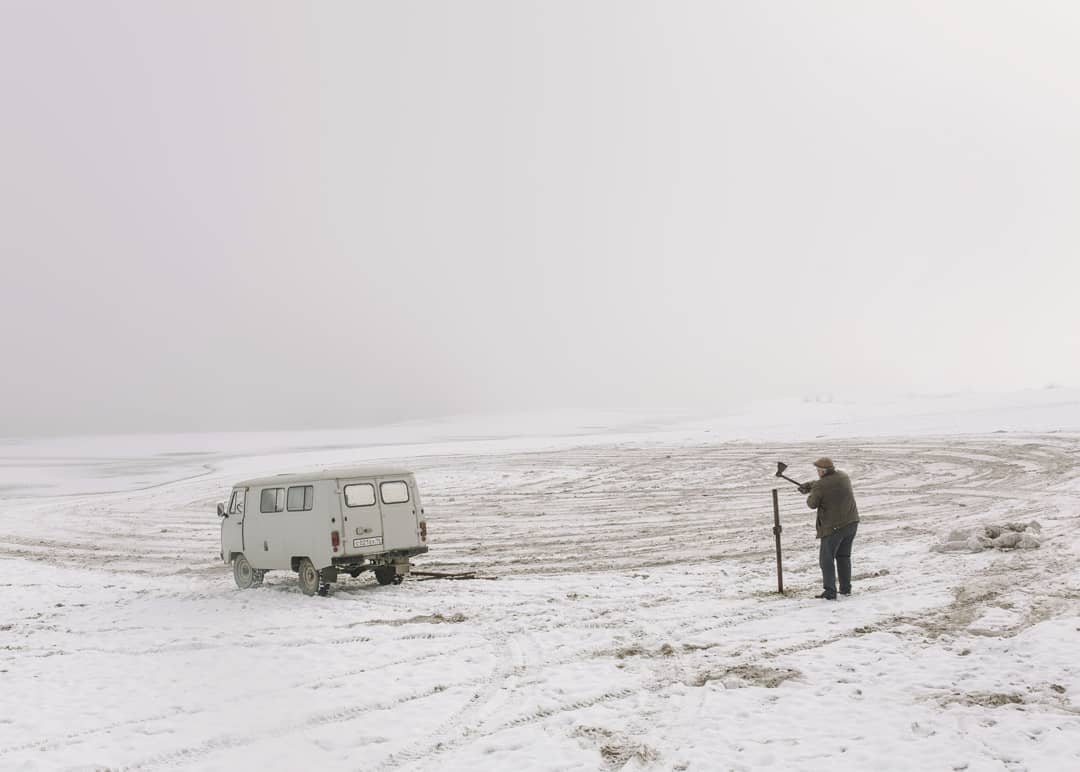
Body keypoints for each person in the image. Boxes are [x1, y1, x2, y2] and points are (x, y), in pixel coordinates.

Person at [798, 457, 860, 600]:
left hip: (833, 527)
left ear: (823, 471)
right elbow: (826, 485)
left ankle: (830, 591)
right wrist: (812, 485)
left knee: (826, 559)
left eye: (818, 470)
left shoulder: (821, 486)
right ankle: (845, 589)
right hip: (851, 522)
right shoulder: (843, 476)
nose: (817, 472)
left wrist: (810, 492)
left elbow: (812, 504)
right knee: (844, 556)